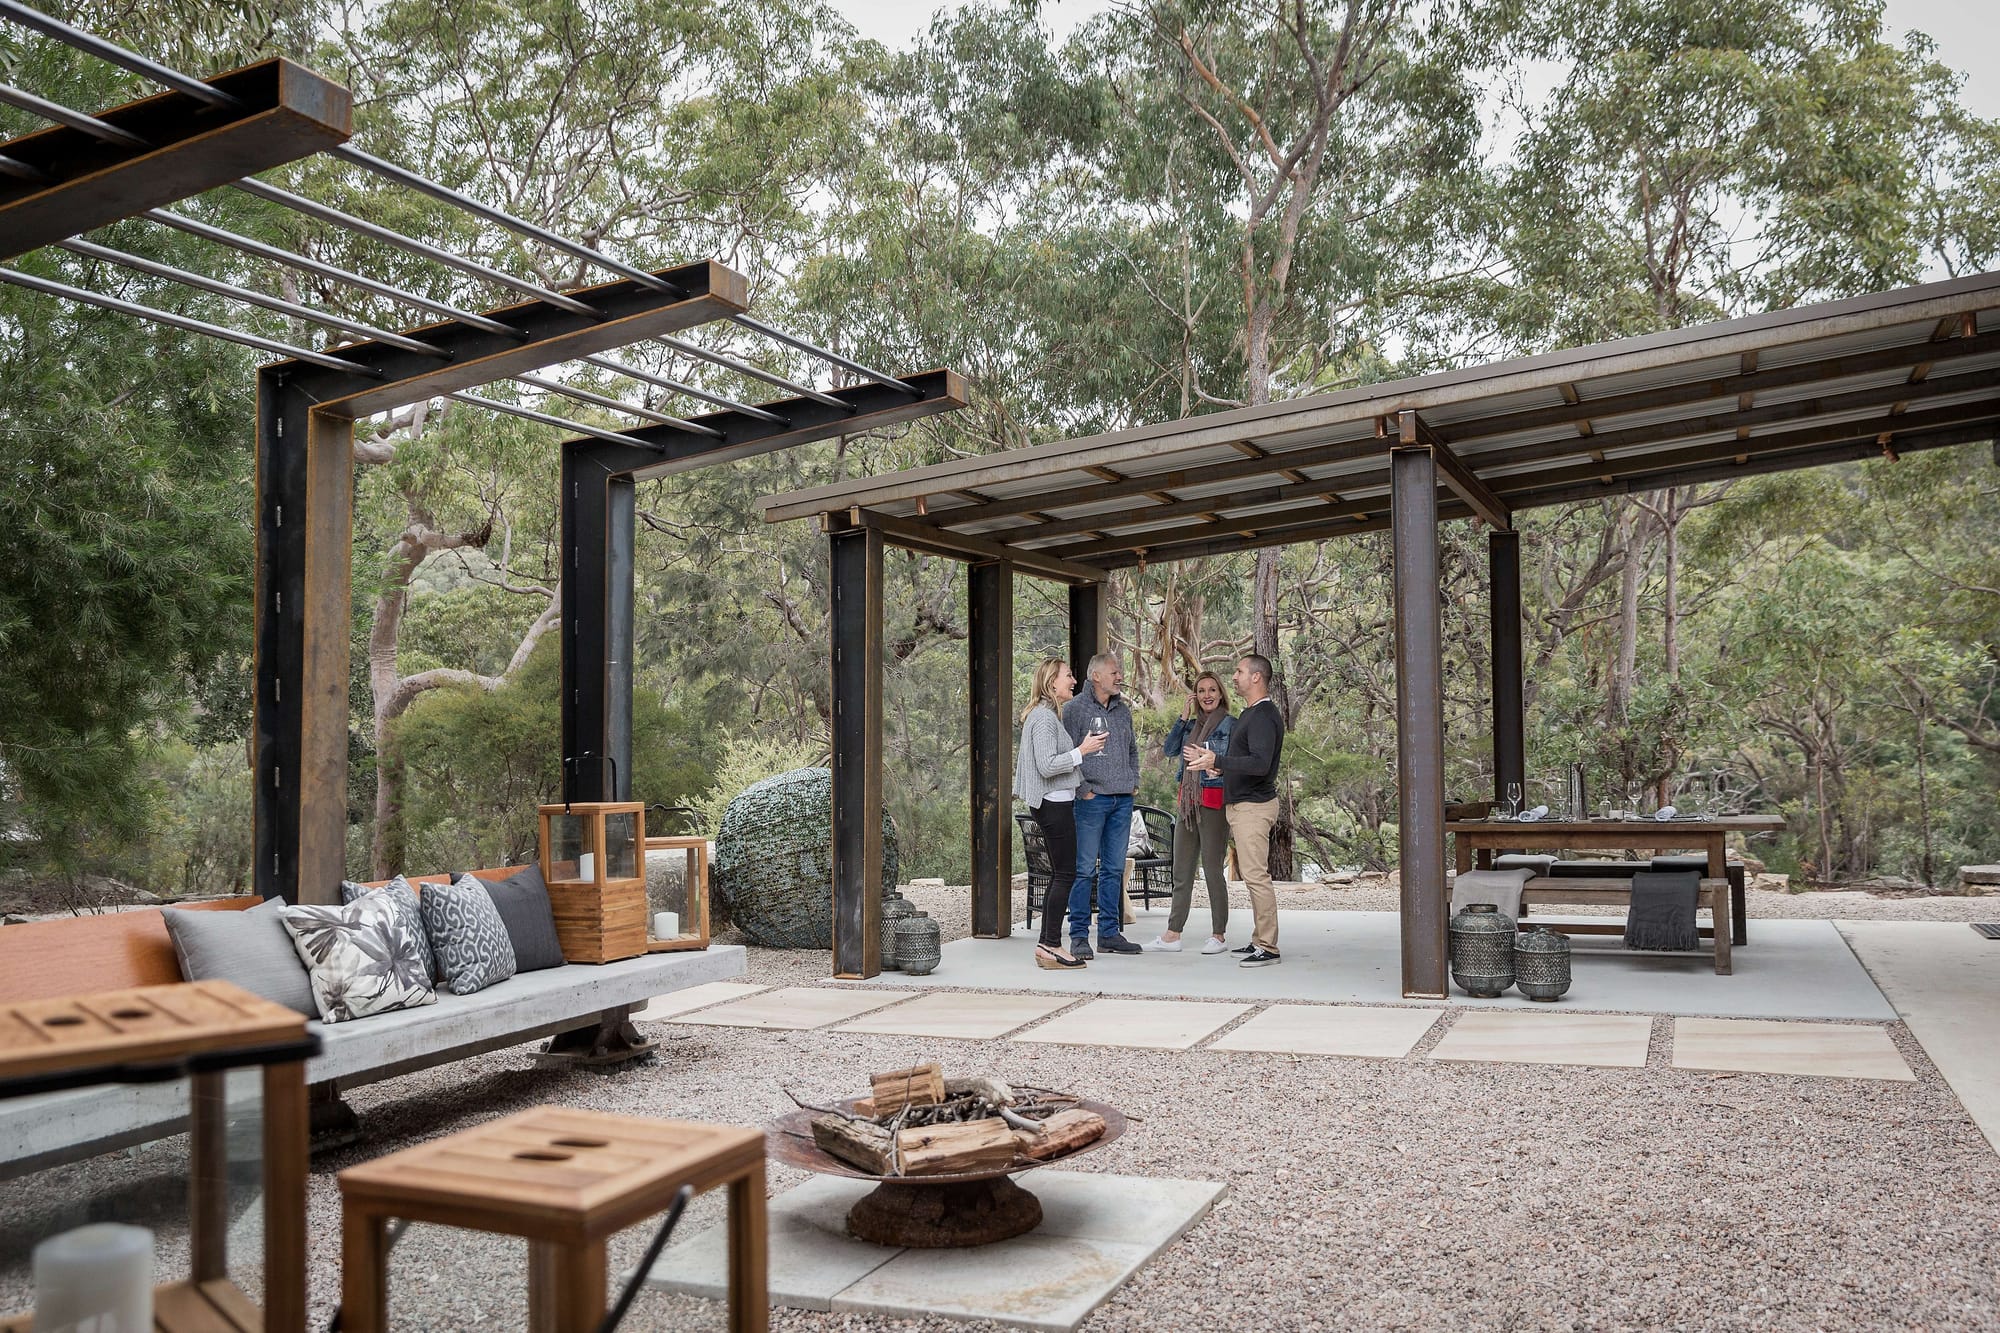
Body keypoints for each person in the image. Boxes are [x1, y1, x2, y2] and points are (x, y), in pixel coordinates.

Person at [1185, 653, 1286, 967]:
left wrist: (1217, 760)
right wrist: (1220, 769)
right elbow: (1246, 763)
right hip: (1242, 805)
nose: (1235, 676)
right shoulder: (1251, 715)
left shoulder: (1264, 716)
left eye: (1240, 671)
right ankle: (1259, 940)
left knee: (1256, 877)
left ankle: (1268, 947)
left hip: (1254, 808)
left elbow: (1260, 764)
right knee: (1254, 876)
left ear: (1256, 677)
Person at [1013, 657, 1108, 969]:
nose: (1073, 680)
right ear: (1051, 682)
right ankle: (1050, 944)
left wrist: (1082, 786)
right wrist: (1082, 750)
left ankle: (1048, 942)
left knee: (1062, 873)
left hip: (1058, 802)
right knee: (1065, 873)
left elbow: (1055, 764)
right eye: (1068, 675)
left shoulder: (1049, 716)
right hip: (1052, 805)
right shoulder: (1042, 718)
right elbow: (1047, 765)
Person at [1060, 652, 1143, 957]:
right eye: (1114, 672)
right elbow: (1066, 753)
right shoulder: (1074, 709)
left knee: (1114, 869)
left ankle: (1109, 933)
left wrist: (1134, 781)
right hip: (1092, 801)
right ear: (1096, 676)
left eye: (1119, 672)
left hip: (1122, 800)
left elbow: (1133, 748)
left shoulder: (1123, 710)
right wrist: (1083, 790)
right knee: (1083, 870)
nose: (1119, 676)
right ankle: (1079, 935)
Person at [1144, 671, 1233, 954]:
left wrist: (1209, 760)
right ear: (1196, 696)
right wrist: (1183, 717)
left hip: (1213, 803)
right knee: (1181, 871)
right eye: (1202, 690)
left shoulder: (1231, 724)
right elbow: (1170, 750)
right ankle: (1173, 934)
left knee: (1212, 870)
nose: (1207, 695)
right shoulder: (1191, 725)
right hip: (1187, 804)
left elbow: (1228, 761)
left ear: (1221, 694)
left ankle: (1218, 934)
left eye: (1212, 690)